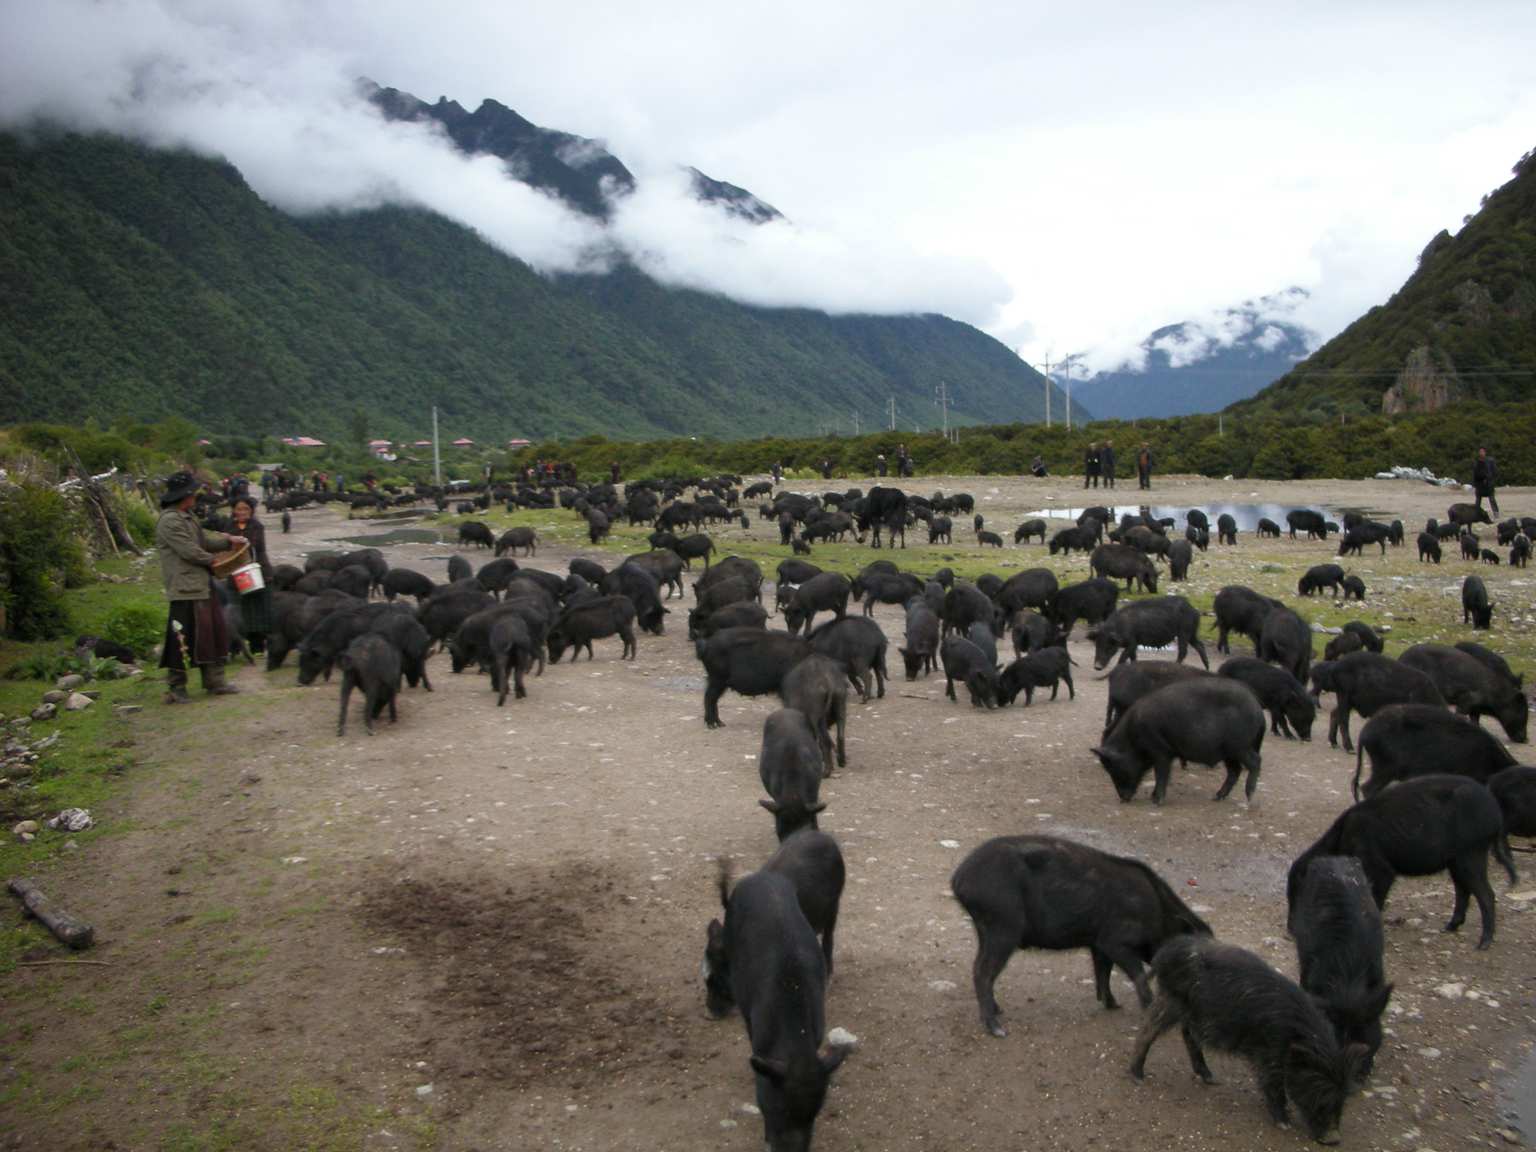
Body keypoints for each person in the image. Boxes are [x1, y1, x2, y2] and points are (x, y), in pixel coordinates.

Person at [155, 471, 245, 703]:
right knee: (181, 637)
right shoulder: (169, 521)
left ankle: (215, 682)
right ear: (184, 495)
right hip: (185, 587)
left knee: (212, 633)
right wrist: (213, 560)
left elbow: (203, 542)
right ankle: (176, 688)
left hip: (202, 584)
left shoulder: (187, 516)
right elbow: (188, 550)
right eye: (193, 492)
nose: (197, 495)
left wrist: (228, 542)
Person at [229, 494, 273, 655]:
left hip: (256, 573)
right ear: (233, 510)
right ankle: (237, 646)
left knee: (257, 611)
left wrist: (232, 541)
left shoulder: (256, 526)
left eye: (245, 509)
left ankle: (258, 646)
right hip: (236, 575)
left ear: (251, 510)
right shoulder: (229, 526)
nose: (242, 512)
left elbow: (253, 545)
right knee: (240, 611)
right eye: (238, 509)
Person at [1473, 447, 1499, 517]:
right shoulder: (1476, 462)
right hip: (1479, 484)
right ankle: (1476, 513)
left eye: (1482, 451)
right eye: (1480, 451)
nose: (1481, 453)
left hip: (1489, 483)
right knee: (1478, 500)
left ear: (1485, 452)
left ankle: (1496, 512)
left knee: (1492, 499)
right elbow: (1475, 474)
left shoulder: (1490, 460)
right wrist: (1475, 484)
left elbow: (1495, 471)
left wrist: (1491, 479)